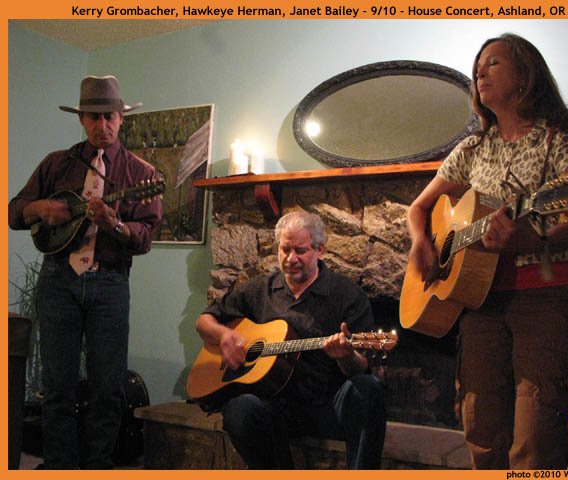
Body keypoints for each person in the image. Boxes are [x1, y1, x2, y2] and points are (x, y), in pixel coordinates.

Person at [406, 33, 568, 469]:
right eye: (478, 67)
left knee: (536, 441)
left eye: (493, 63)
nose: (480, 72)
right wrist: (423, 243)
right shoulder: (474, 148)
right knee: (481, 431)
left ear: (525, 75)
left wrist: (525, 239)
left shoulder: (561, 139)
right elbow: (419, 209)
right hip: (480, 303)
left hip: (546, 301)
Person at [9, 75, 163, 469]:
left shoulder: (140, 173)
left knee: (107, 387)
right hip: (58, 279)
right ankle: (61, 466)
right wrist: (41, 209)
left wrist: (116, 225)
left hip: (110, 283)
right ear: (81, 118)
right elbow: (14, 211)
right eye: (94, 117)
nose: (102, 124)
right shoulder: (56, 164)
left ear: (121, 118)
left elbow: (145, 237)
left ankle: (98, 468)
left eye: (109, 116)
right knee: (56, 385)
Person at [195, 210, 387, 469]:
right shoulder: (260, 289)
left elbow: (361, 366)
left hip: (326, 405)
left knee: (368, 389)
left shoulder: (347, 295)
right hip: (273, 406)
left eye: (300, 250)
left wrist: (347, 356)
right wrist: (225, 336)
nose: (290, 258)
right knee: (239, 410)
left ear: (320, 250)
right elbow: (204, 321)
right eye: (285, 249)